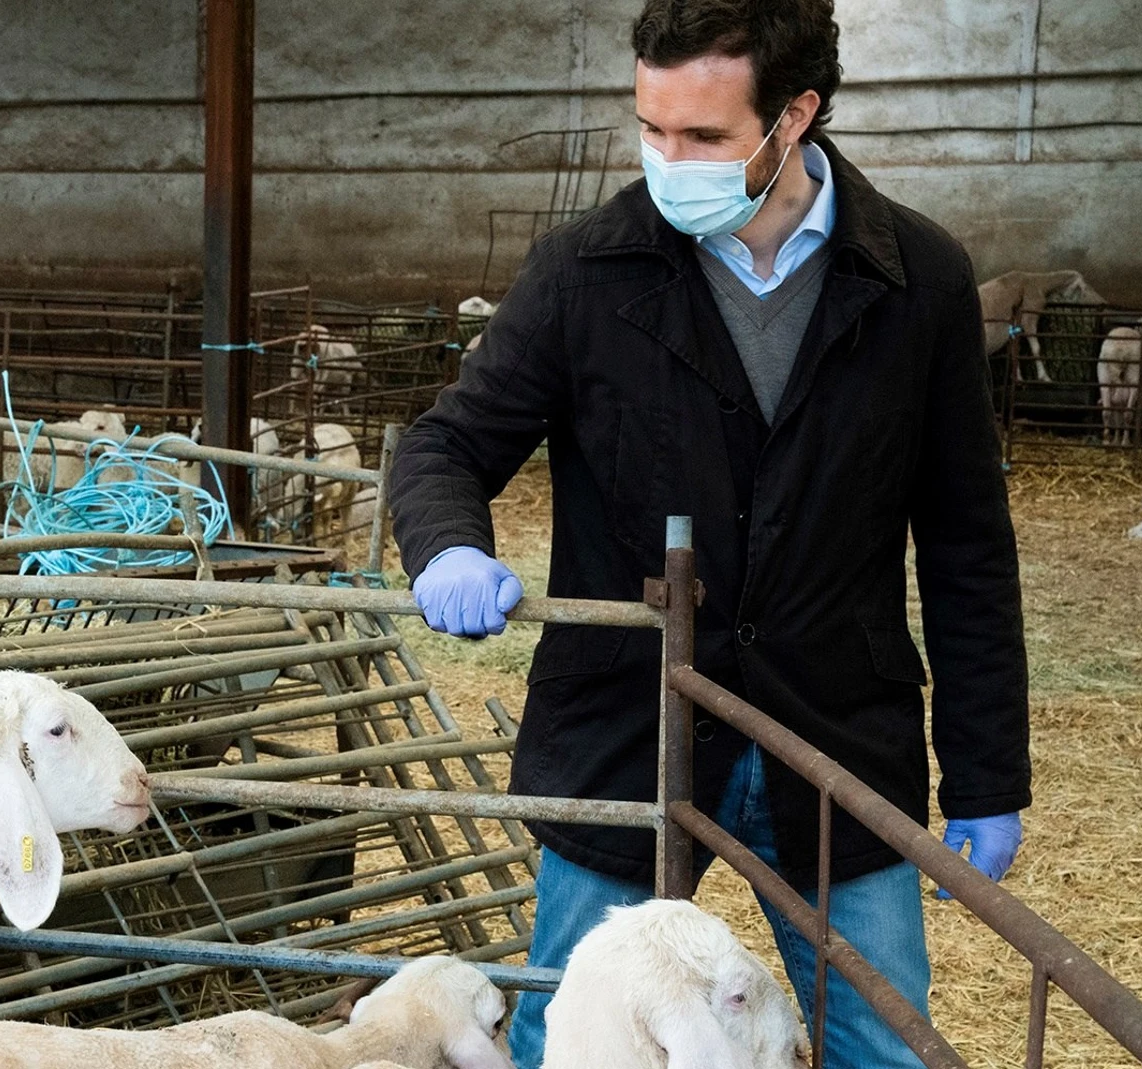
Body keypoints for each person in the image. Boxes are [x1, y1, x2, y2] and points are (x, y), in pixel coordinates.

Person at [387, 2, 1030, 1066]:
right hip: (623, 728)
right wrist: (445, 542)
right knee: (575, 1030)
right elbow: (444, 447)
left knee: (882, 1037)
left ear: (797, 116)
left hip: (832, 733)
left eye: (704, 138)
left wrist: (986, 771)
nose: (667, 159)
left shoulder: (914, 279)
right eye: (651, 129)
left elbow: (965, 541)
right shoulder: (585, 271)